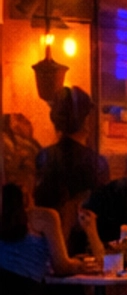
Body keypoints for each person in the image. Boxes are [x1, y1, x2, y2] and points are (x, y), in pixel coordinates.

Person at [35, 88, 107, 255]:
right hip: (83, 249)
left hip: (45, 246)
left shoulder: (43, 156)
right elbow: (101, 214)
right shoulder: (95, 162)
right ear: (86, 120)